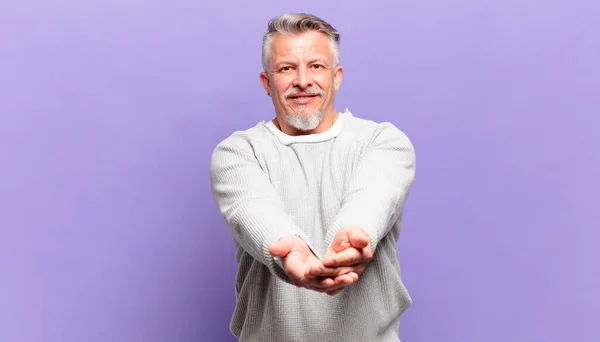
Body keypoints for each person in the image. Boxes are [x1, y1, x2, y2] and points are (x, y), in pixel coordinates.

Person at [210, 12, 416, 342]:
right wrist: (289, 250)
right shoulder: (237, 152)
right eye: (287, 68)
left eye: (316, 66)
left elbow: (373, 197)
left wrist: (349, 239)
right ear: (266, 83)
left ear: (337, 77)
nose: (303, 80)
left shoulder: (383, 143)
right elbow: (255, 211)